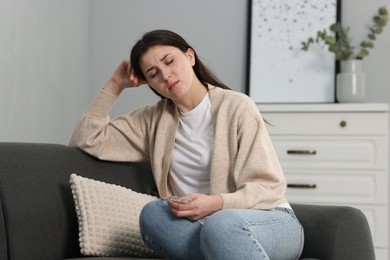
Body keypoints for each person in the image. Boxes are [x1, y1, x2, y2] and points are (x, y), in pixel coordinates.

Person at [69, 29, 304, 260]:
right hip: (202, 231)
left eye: (169, 61)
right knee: (153, 214)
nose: (166, 75)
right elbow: (86, 139)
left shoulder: (237, 107)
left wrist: (216, 203)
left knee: (222, 225)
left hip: (268, 221)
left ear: (190, 56)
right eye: (153, 74)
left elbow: (268, 188)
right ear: (150, 84)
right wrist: (114, 85)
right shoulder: (152, 121)